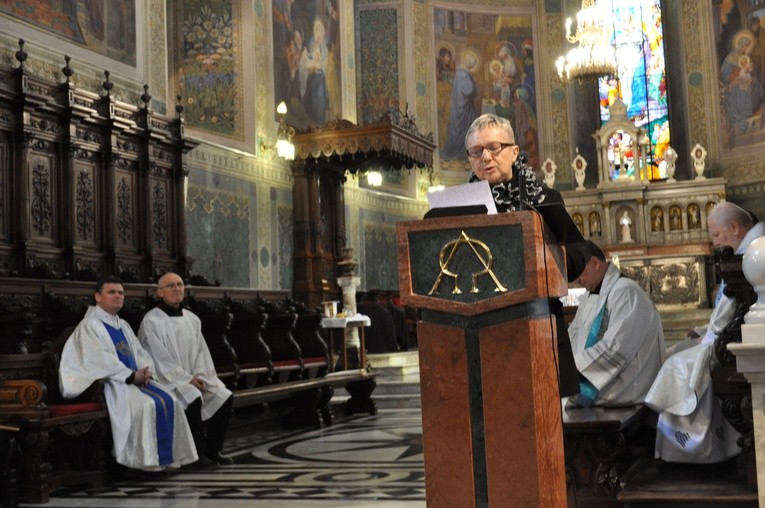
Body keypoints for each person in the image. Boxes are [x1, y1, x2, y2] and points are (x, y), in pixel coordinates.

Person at [465, 113, 579, 397]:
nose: (486, 158)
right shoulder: (458, 208)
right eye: (477, 151)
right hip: (480, 334)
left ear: (514, 152)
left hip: (536, 327)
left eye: (494, 147)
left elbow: (577, 259)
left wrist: (543, 262)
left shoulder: (544, 198)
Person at [645, 201, 765, 463]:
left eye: (716, 235)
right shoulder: (742, 253)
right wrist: (703, 331)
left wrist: (707, 337)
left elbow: (732, 316)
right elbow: (727, 312)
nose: (714, 242)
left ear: (734, 227)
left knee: (674, 364)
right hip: (726, 336)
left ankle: (691, 449)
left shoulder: (751, 257)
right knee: (673, 353)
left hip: (732, 342)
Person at [58, 276, 197, 472]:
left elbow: (140, 353)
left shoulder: (122, 324)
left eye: (121, 293)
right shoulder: (90, 325)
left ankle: (167, 460)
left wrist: (146, 371)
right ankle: (141, 464)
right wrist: (131, 376)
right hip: (111, 384)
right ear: (97, 297)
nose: (117, 296)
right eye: (111, 292)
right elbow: (98, 359)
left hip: (134, 380)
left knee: (171, 400)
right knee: (146, 405)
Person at [138, 272, 235, 466]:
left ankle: (213, 449)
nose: (177, 289)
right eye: (171, 286)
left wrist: (200, 376)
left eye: (180, 285)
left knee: (224, 395)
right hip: (167, 380)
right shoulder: (151, 322)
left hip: (192, 376)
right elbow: (158, 359)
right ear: (160, 292)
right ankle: (194, 456)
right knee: (192, 396)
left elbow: (201, 353)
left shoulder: (192, 319)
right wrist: (186, 379)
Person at [565, 241, 665, 407]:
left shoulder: (625, 291)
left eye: (578, 271)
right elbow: (573, 336)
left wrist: (569, 368)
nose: (576, 279)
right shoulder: (588, 297)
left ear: (595, 263)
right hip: (601, 388)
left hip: (625, 392)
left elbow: (615, 348)